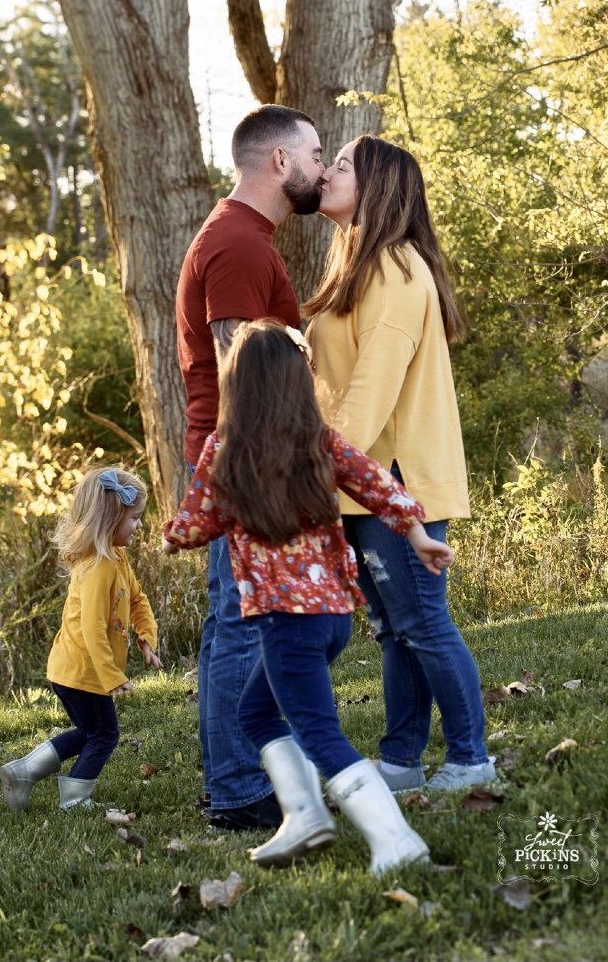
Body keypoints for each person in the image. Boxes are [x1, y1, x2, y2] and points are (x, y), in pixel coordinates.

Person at [163, 319, 453, 877]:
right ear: (299, 382)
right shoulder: (319, 440)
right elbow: (376, 482)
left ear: (236, 386)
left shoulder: (227, 449)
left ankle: (395, 837)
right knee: (256, 712)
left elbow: (199, 521)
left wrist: (173, 536)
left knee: (319, 731)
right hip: (334, 616)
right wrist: (417, 533)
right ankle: (304, 817)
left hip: (286, 623)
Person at [303, 134, 493, 794]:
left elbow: (372, 388)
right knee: (393, 629)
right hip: (364, 476)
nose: (326, 172)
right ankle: (402, 760)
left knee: (422, 622)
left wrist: (316, 470)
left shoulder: (394, 266)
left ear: (379, 186)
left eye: (344, 165)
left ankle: (471, 757)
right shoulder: (358, 263)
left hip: (394, 477)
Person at [175, 104, 324, 831]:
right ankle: (238, 788)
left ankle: (240, 777)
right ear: (278, 163)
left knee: (234, 621)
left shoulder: (245, 237)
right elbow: (242, 372)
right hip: (244, 459)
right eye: (315, 154)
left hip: (244, 456)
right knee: (240, 623)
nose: (321, 169)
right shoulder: (237, 243)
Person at [0, 467, 163, 812]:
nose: (140, 525)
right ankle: (74, 800)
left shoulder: (117, 559)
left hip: (76, 671)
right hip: (81, 672)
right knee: (104, 735)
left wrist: (147, 636)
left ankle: (24, 771)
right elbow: (91, 628)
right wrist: (112, 677)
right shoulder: (98, 568)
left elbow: (137, 600)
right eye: (134, 518)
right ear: (110, 519)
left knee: (89, 732)